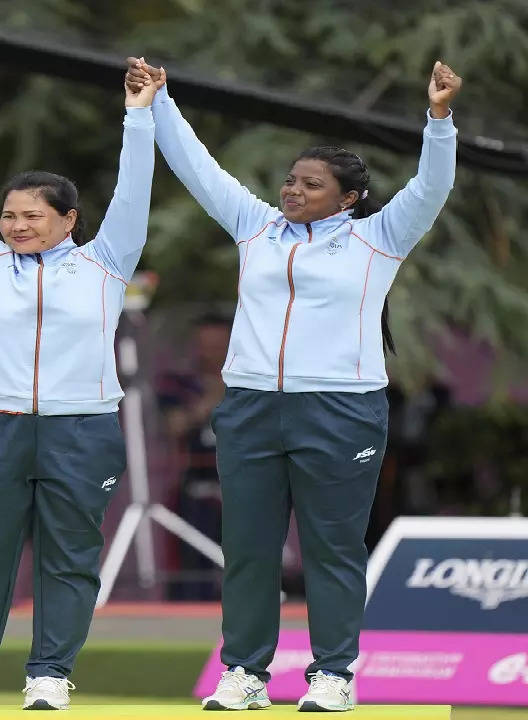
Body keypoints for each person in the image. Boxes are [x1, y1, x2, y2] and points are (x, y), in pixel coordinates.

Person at [125, 57, 462, 712]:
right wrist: (158, 101)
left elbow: (431, 188)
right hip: (251, 407)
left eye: (311, 184)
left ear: (348, 198)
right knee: (247, 549)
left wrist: (440, 118)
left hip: (341, 410)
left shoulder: (378, 240)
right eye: (290, 179)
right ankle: (245, 673)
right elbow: (197, 168)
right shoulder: (255, 227)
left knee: (331, 549)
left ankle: (334, 673)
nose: (292, 190)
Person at [0, 72, 159, 711]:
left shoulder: (107, 262)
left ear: (70, 219)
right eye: (9, 215)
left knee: (69, 557)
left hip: (82, 428)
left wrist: (138, 116)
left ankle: (50, 672)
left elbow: (134, 192)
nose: (16, 226)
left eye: (32, 216)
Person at [156, 313, 230, 601]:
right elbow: (174, 426)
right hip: (196, 489)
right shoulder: (178, 384)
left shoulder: (251, 383)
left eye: (219, 344)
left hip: (243, 488)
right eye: (206, 344)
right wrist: (212, 398)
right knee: (191, 571)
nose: (213, 352)